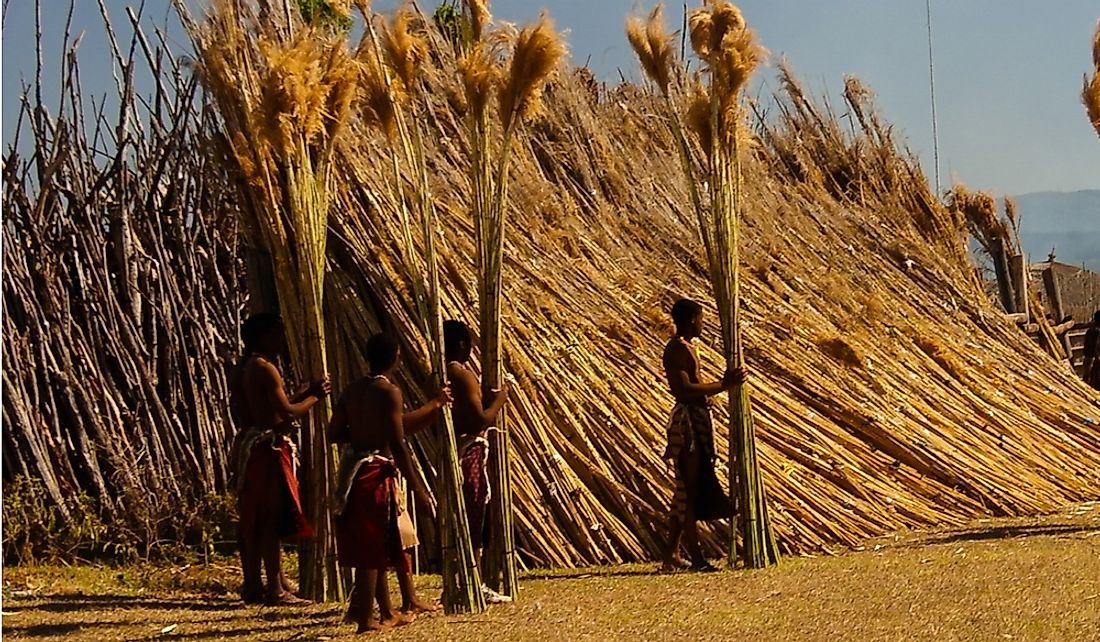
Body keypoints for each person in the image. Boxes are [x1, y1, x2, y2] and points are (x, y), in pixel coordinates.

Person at [329, 333, 439, 633]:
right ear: (396, 356)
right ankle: (366, 619)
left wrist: (364, 435)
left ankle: (384, 611)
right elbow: (398, 441)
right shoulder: (389, 391)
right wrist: (418, 487)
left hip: (354, 471)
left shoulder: (352, 390)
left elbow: (334, 432)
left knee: (373, 541)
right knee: (372, 545)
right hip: (376, 473)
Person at [229, 312, 330, 606]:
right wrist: (316, 398)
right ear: (263, 337)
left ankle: (253, 584)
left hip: (250, 445)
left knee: (253, 518)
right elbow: (285, 413)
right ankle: (274, 588)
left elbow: (271, 405)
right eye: (277, 334)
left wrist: (307, 391)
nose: (282, 341)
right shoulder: (265, 368)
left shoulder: (244, 366)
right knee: (270, 519)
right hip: (268, 449)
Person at [660, 298, 744, 573]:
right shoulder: (676, 350)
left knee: (684, 492)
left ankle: (671, 554)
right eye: (700, 319)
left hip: (698, 420)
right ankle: (696, 559)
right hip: (688, 427)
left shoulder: (687, 347)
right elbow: (683, 389)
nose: (702, 323)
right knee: (689, 490)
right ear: (690, 320)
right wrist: (724, 384)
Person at [443, 320, 512, 604]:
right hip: (469, 449)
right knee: (474, 514)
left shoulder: (439, 373)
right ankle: (474, 580)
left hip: (454, 450)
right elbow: (480, 419)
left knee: (465, 515)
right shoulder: (461, 375)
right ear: (462, 345)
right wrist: (500, 401)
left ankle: (461, 581)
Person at [1085, 310, 1100, 390]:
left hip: (1090, 356)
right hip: (1094, 358)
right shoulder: (1096, 331)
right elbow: (1095, 347)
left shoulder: (1091, 330)